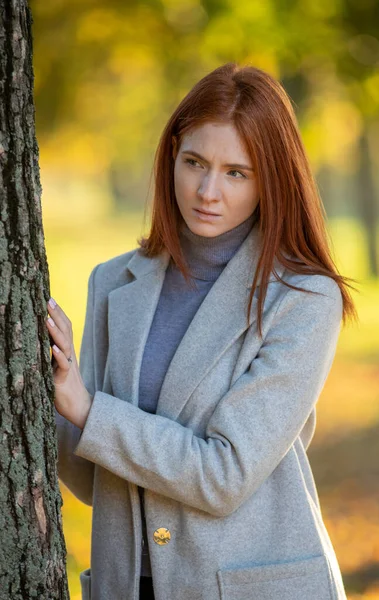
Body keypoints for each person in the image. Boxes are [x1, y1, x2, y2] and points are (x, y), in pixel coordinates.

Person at [51, 62, 357, 600]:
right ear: (172, 155)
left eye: (237, 172)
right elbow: (94, 484)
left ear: (271, 180)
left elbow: (224, 475)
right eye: (195, 162)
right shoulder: (113, 283)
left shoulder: (305, 299)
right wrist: (50, 390)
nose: (208, 191)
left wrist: (88, 408)